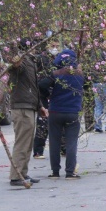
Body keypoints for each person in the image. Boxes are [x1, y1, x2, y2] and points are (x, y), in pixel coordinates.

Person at [39, 49, 88, 180]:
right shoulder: (80, 75)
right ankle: (70, 172)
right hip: (73, 112)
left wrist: (47, 96)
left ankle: (55, 172)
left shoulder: (55, 74)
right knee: (71, 142)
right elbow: (88, 87)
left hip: (55, 111)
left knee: (54, 142)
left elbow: (41, 86)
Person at [8, 38, 48, 186]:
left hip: (29, 107)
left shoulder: (31, 62)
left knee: (27, 143)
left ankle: (22, 173)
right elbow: (16, 67)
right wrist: (16, 60)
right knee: (22, 142)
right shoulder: (22, 61)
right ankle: (16, 175)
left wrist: (40, 106)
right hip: (22, 108)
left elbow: (33, 87)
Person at [32, 38, 59, 159]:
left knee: (59, 122)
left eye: (57, 46)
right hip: (43, 93)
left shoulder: (57, 59)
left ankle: (63, 148)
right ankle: (38, 150)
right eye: (53, 45)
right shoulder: (41, 59)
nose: (55, 48)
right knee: (43, 123)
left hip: (54, 95)